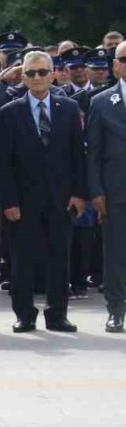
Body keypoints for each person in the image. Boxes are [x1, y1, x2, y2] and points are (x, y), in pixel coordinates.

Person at [0, 50, 86, 333]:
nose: (37, 78)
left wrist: (79, 194)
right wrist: (8, 200)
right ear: (23, 77)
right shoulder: (10, 112)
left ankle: (57, 314)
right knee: (22, 258)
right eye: (31, 73)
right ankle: (24, 314)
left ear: (53, 74)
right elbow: (4, 162)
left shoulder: (69, 108)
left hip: (60, 198)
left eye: (43, 72)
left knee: (60, 257)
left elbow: (77, 156)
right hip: (23, 199)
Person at [87, 41, 126, 333]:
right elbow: (94, 153)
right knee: (115, 254)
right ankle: (116, 309)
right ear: (115, 66)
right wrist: (97, 191)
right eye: (124, 59)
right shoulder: (101, 102)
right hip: (116, 191)